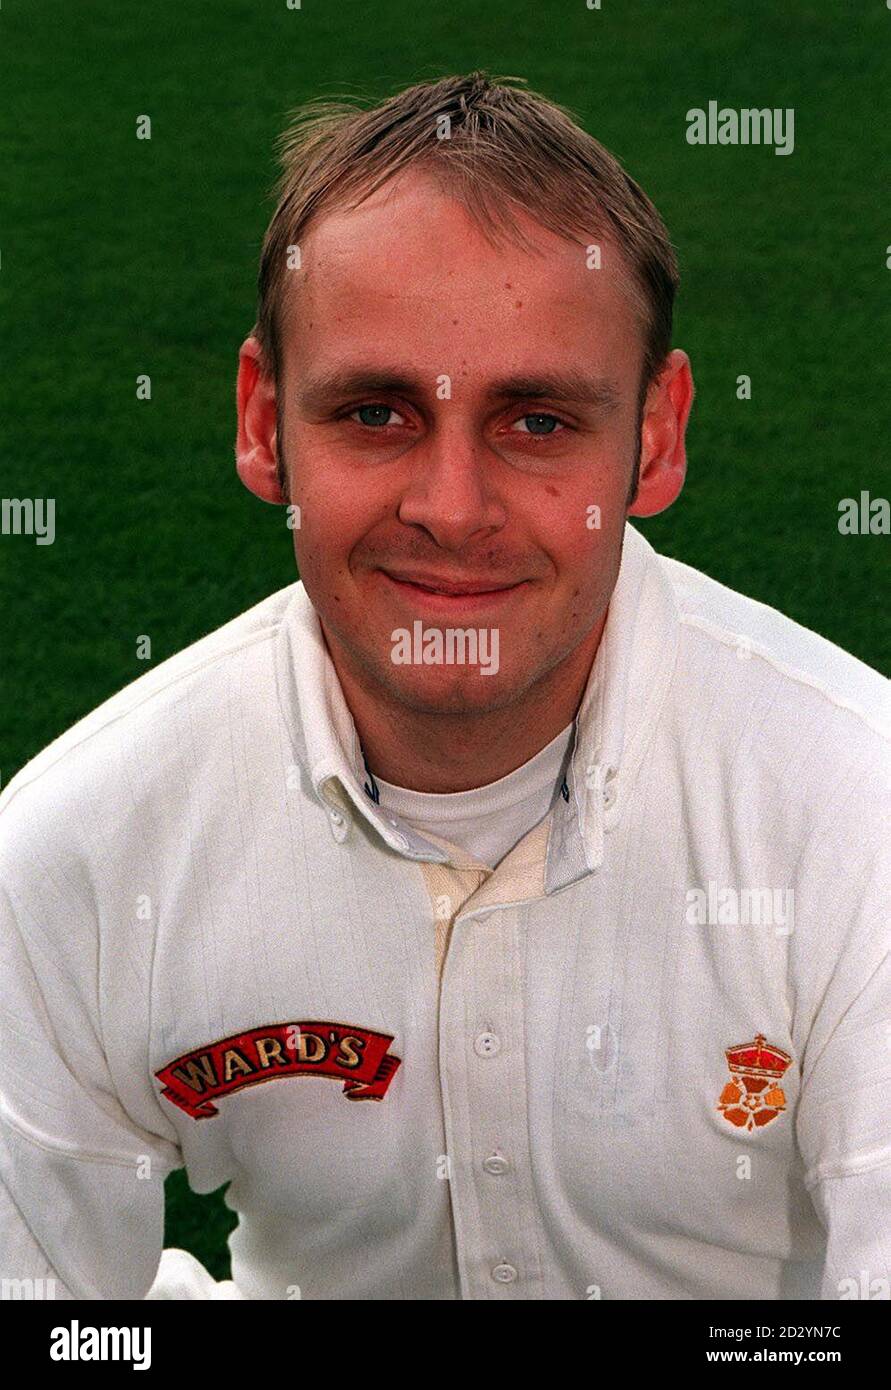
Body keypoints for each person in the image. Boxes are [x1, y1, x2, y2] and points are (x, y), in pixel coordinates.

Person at [1, 72, 888, 1302]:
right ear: (264, 423)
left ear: (660, 434)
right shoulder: (73, 849)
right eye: (376, 412)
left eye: (536, 421)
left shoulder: (861, 812)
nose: (451, 509)